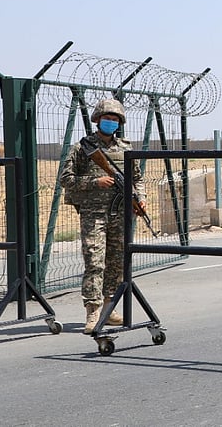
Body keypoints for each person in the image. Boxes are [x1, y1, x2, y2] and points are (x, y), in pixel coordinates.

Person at [60, 99, 147, 334]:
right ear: (97, 120)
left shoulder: (126, 148)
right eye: (107, 118)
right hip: (93, 213)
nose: (111, 122)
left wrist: (140, 197)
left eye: (115, 119)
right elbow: (65, 179)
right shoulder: (83, 148)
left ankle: (110, 307)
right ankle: (93, 311)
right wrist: (94, 182)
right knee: (94, 260)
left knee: (116, 262)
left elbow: (136, 177)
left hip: (120, 213)